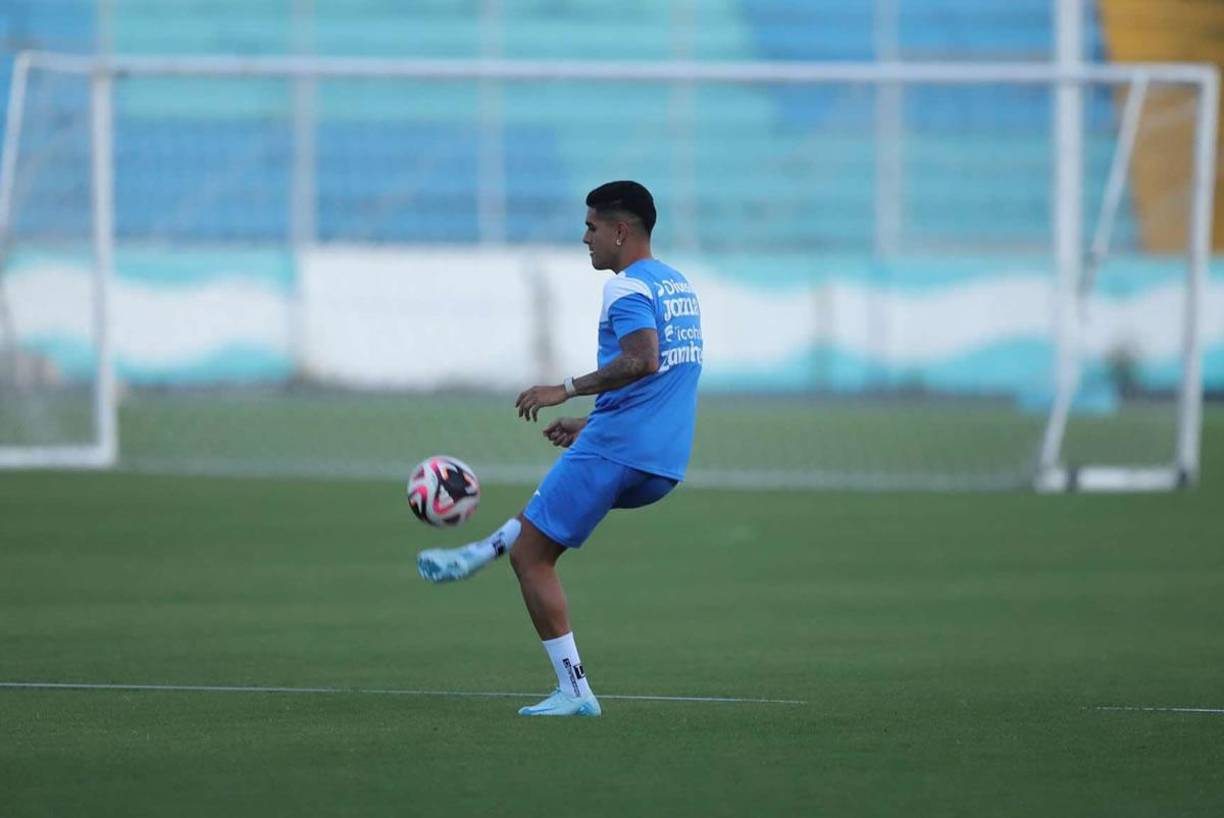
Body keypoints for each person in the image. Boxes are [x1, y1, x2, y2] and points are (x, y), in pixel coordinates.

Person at [417, 180, 703, 717]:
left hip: (619, 449)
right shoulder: (677, 284)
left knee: (532, 555)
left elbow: (643, 360)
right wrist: (590, 423)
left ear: (621, 231)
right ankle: (471, 555)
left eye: (592, 227)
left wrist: (562, 389)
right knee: (543, 518)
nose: (584, 237)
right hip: (661, 461)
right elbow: (660, 379)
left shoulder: (626, 288)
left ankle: (574, 691)